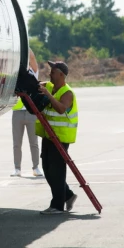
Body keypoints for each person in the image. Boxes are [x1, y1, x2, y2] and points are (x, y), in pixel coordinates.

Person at [35, 60, 79, 215]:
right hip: (49, 135)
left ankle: (57, 205)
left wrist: (47, 95)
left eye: (52, 72)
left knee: (57, 171)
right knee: (47, 168)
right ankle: (67, 195)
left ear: (61, 75)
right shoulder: (51, 87)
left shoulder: (67, 93)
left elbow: (61, 109)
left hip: (60, 137)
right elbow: (39, 84)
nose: (50, 74)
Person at [11, 49, 43, 177]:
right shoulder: (15, 75)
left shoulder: (32, 74)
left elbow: (33, 59)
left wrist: (24, 46)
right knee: (17, 143)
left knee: (33, 142)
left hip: (31, 112)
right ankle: (17, 168)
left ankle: (36, 167)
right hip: (17, 112)